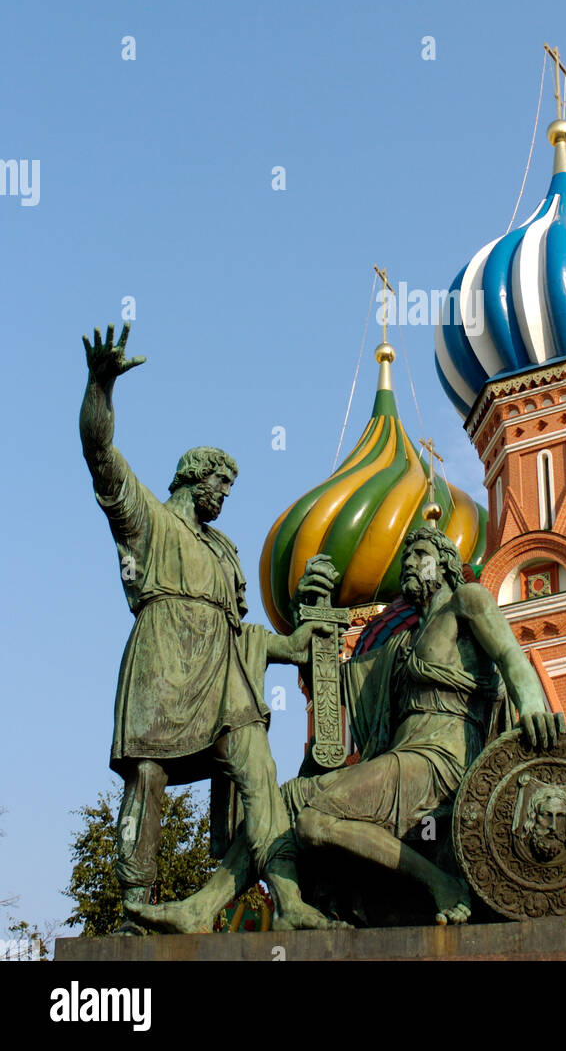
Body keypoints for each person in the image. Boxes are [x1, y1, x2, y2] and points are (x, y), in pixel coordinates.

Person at [128, 520, 565, 932]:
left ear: (446, 562)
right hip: (402, 755)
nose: (408, 564)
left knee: (313, 820)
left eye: (419, 553)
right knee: (285, 801)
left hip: (441, 760)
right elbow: (334, 687)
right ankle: (202, 909)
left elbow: (510, 657)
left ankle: (442, 883)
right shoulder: (403, 641)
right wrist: (312, 616)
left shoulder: (467, 601)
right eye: (406, 557)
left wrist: (534, 708)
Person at [80, 323, 335, 932]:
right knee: (148, 777)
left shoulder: (224, 550)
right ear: (193, 478)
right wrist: (99, 387)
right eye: (220, 482)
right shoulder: (148, 521)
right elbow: (99, 457)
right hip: (162, 664)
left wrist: (294, 646)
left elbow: (240, 634)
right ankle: (137, 906)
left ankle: (290, 898)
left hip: (223, 680)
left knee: (259, 775)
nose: (226, 493)